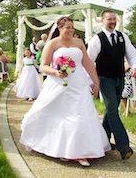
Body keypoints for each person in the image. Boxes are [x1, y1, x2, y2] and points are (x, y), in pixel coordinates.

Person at [20, 16, 109, 167]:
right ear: (60, 28)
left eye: (72, 28)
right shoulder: (53, 44)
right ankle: (62, 150)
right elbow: (43, 66)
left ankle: (81, 151)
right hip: (60, 84)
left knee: (81, 114)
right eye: (67, 27)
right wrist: (56, 72)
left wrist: (96, 82)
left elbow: (87, 63)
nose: (70, 30)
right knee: (60, 116)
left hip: (79, 84)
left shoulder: (79, 43)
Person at [87, 10, 136, 160]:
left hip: (120, 78)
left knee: (112, 109)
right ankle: (124, 146)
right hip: (104, 79)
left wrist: (134, 66)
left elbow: (131, 53)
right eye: (109, 19)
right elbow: (89, 61)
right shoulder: (97, 39)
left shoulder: (122, 37)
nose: (112, 22)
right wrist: (92, 82)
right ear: (102, 21)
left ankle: (103, 142)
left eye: (114, 19)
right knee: (112, 109)